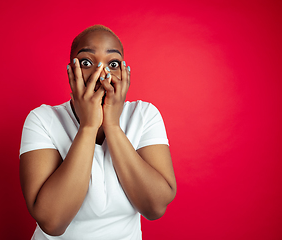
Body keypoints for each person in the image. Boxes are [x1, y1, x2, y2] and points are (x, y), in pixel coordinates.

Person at [19, 25, 177, 240]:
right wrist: (88, 126)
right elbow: (52, 222)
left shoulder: (144, 115)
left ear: (124, 72)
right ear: (70, 71)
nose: (100, 73)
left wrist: (112, 125)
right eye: (86, 62)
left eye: (113, 63)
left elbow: (155, 208)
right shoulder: (42, 119)